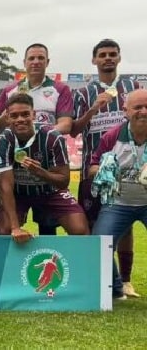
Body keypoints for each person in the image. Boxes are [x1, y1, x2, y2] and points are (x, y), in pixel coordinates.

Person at [72, 38, 142, 297]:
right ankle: (101, 278)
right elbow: (75, 130)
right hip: (94, 169)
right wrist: (93, 110)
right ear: (94, 60)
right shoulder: (83, 93)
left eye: (112, 54)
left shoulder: (132, 88)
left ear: (119, 58)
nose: (108, 58)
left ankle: (125, 280)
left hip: (130, 170)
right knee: (94, 223)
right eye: (103, 55)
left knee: (125, 224)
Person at [0, 43, 74, 235]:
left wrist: (40, 136)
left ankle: (49, 260)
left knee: (47, 225)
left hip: (45, 158)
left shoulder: (60, 89)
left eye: (40, 58)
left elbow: (66, 124)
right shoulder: (10, 90)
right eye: (32, 58)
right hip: (16, 160)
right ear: (24, 62)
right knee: (6, 227)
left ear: (48, 62)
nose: (36, 62)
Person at [0, 93, 89, 241]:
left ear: (34, 115)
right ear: (7, 118)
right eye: (14, 116)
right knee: (6, 230)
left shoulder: (53, 137)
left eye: (25, 114)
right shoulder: (4, 140)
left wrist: (40, 172)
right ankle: (16, 263)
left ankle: (73, 263)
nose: (20, 119)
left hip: (50, 192)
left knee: (80, 229)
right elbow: (5, 186)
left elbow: (64, 181)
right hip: (19, 194)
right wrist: (15, 228)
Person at [90, 88, 147, 301]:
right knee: (100, 243)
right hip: (118, 203)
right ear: (125, 111)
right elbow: (92, 168)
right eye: (138, 107)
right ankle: (115, 289)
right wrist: (105, 170)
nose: (143, 111)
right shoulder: (112, 136)